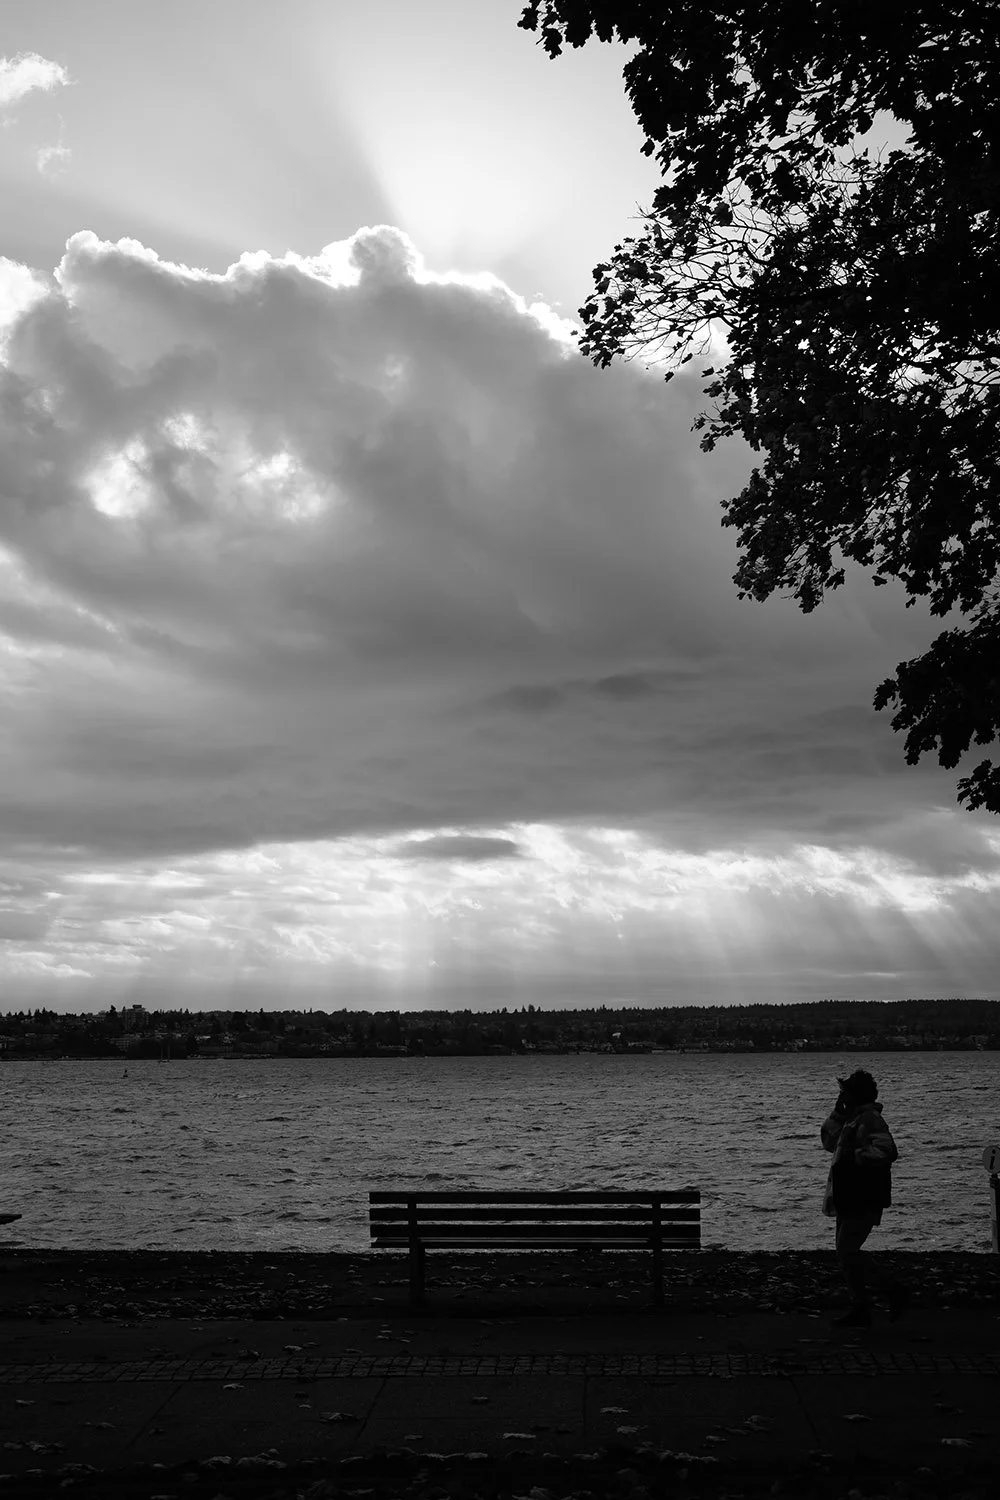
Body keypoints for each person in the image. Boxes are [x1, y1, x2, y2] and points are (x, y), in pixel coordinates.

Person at [821, 1068, 909, 1327]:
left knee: (847, 1251)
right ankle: (861, 1306)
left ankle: (891, 1288)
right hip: (848, 1195)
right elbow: (828, 1141)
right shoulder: (852, 1120)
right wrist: (838, 1114)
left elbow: (886, 1150)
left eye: (845, 1094)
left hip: (863, 1195)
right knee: (845, 1253)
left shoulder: (870, 1119)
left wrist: (855, 1159)